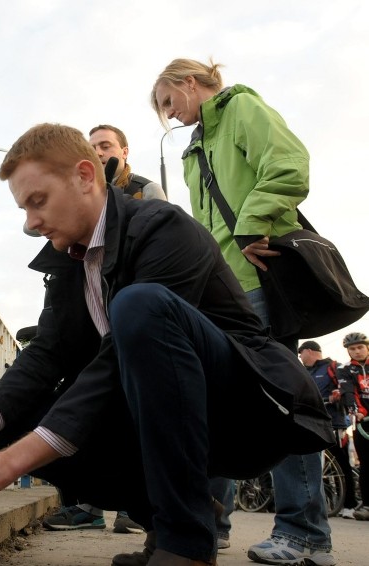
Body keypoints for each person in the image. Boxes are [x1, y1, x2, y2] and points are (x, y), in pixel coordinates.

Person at [0, 123, 332, 566]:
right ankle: (169, 518)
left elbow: (118, 357)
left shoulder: (162, 227)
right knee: (6, 423)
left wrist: (15, 463)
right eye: (24, 209)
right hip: (155, 407)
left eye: (38, 201)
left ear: (84, 176)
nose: (31, 223)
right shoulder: (68, 260)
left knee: (140, 305)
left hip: (243, 408)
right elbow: (45, 353)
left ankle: (185, 544)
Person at [151, 58, 335, 566]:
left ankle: (306, 534)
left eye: (169, 102)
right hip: (220, 288)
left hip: (256, 280)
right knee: (215, 401)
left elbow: (289, 163)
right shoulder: (194, 147)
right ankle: (209, 526)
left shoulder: (242, 110)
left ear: (189, 82)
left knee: (282, 401)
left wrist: (250, 226)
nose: (170, 115)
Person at [39, 124, 164, 536]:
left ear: (125, 151)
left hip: (130, 309)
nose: (99, 152)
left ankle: (140, 504)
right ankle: (88, 504)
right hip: (93, 308)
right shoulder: (75, 200)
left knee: (136, 404)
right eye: (92, 147)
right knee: (84, 392)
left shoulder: (145, 193)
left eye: (106, 146)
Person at [299, 340, 359, 518]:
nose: (300, 358)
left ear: (309, 351)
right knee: (322, 469)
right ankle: (331, 504)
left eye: (301, 353)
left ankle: (349, 505)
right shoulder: (305, 372)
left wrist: (338, 396)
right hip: (311, 425)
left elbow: (347, 390)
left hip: (334, 424)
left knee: (341, 466)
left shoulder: (334, 367)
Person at [337, 332, 369, 521]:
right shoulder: (345, 369)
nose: (356, 351)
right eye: (352, 349)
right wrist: (357, 411)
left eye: (360, 347)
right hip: (363, 422)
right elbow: (349, 392)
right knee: (366, 464)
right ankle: (366, 504)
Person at [89, 124, 167, 201]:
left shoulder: (148, 190)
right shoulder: (83, 193)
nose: (97, 153)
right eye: (92, 149)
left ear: (124, 153)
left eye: (105, 146)